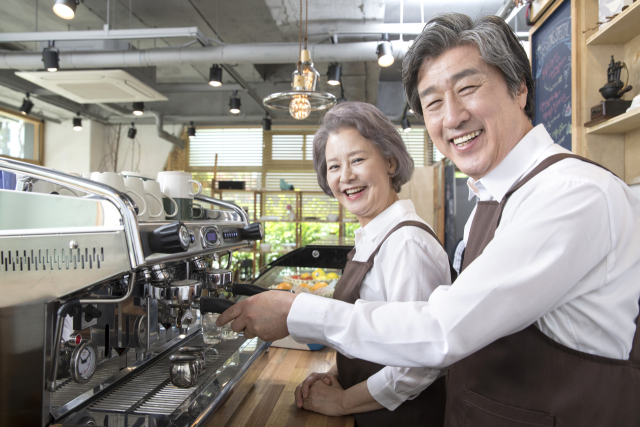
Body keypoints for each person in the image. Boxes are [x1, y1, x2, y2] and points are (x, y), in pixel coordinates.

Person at [218, 13, 640, 426]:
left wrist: (295, 311)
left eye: (468, 88)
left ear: (519, 90)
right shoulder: (492, 196)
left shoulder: (570, 193)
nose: (452, 117)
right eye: (433, 102)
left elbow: (442, 330)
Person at [294, 101, 451, 426]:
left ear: (390, 162)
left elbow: (418, 363)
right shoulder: (371, 237)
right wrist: (333, 374)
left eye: (358, 159)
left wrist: (340, 402)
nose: (345, 176)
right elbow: (374, 334)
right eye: (333, 166)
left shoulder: (406, 243)